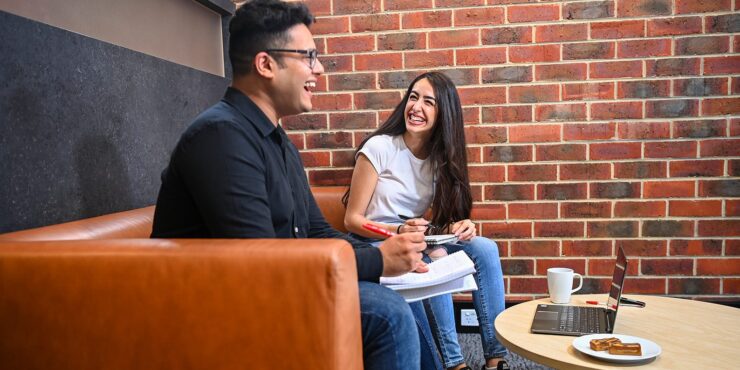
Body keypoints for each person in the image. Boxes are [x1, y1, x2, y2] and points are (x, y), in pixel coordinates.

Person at [150, 1, 432, 369]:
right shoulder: (221, 136)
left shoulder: (276, 139)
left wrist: (387, 250)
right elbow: (261, 261)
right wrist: (378, 258)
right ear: (266, 64)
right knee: (386, 313)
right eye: (308, 56)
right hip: (220, 306)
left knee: (392, 296)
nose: (318, 69)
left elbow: (314, 230)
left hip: (272, 287)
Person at [343, 72, 509, 370]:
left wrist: (460, 227)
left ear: (443, 113)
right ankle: (454, 363)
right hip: (375, 240)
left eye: (428, 102)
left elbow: (431, 224)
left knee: (484, 247)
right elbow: (352, 219)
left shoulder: (439, 159)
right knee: (435, 255)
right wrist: (397, 230)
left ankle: (496, 360)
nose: (416, 107)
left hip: (415, 237)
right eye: (414, 97)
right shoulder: (380, 148)